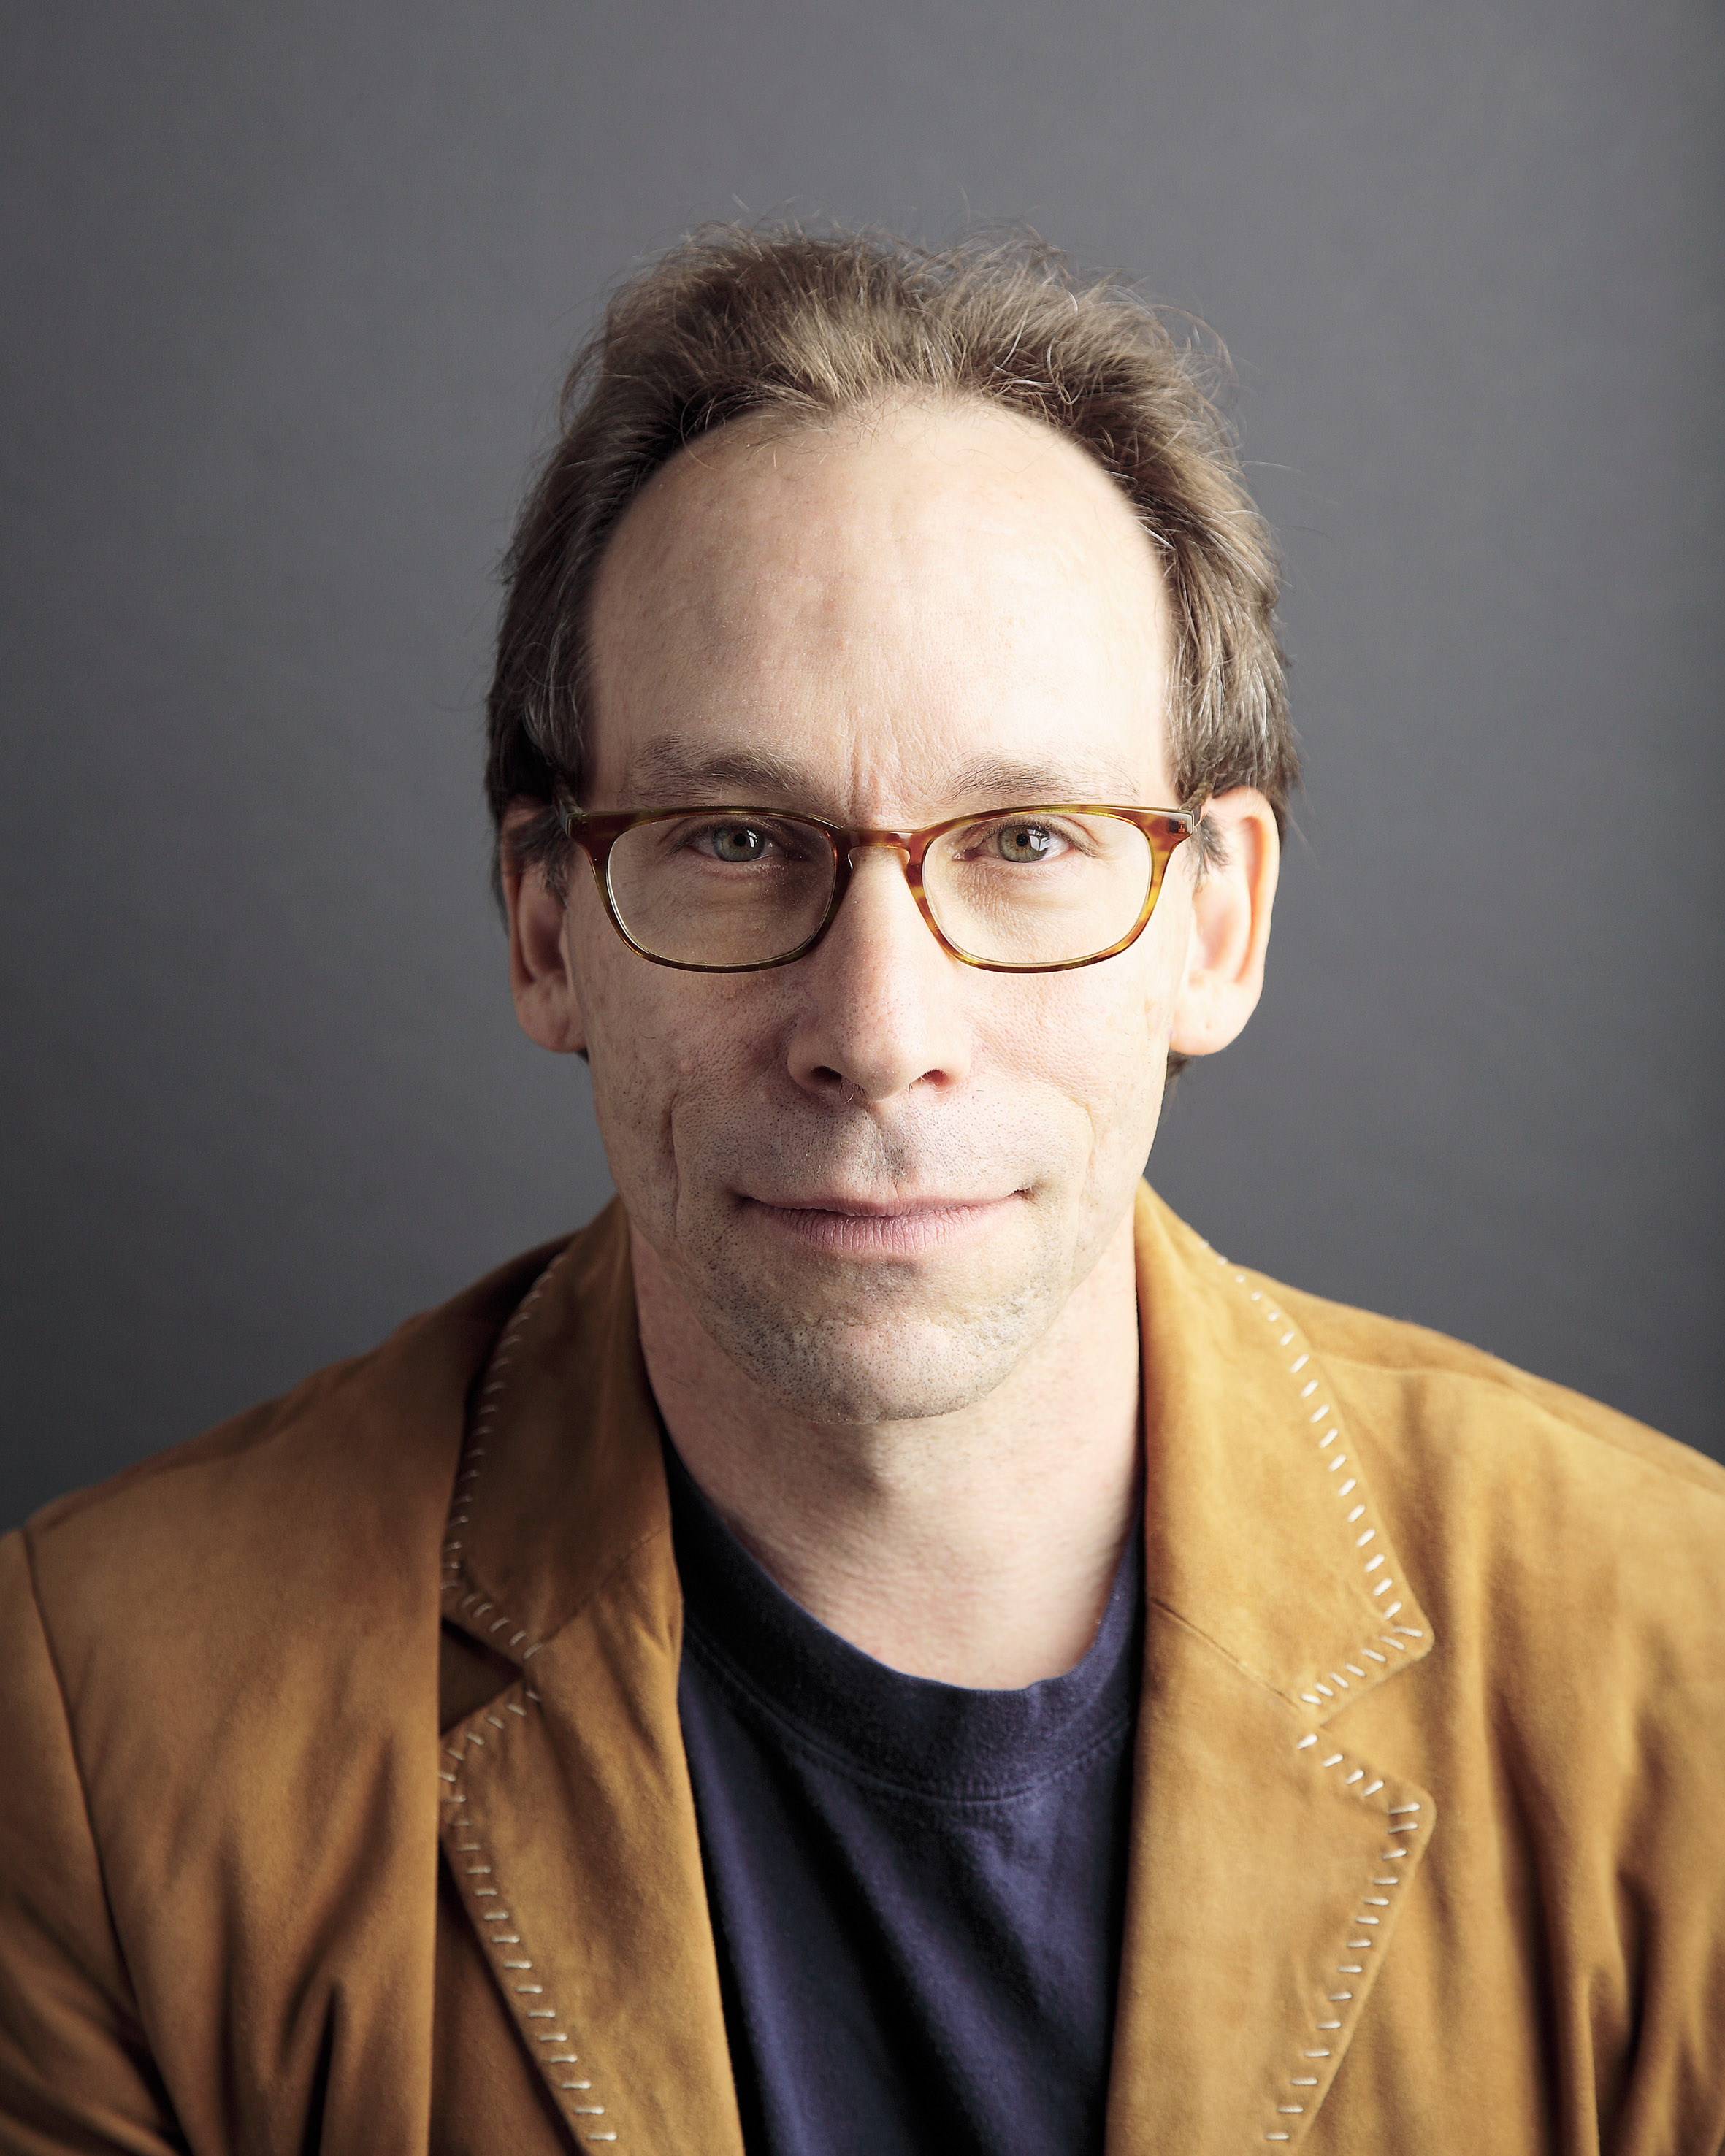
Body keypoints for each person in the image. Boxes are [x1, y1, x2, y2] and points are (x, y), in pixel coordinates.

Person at [1, 227, 1719, 2156]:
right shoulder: (92, 1728)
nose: (879, 1032)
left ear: (1218, 924)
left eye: (1026, 840)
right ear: (546, 925)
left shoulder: (1684, 1671)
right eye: (735, 839)